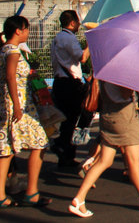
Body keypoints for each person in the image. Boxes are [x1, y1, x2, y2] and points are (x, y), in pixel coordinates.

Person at [68, 80, 139, 217]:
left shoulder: (105, 68)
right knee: (134, 161)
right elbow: (125, 93)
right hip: (124, 116)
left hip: (108, 114)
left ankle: (79, 198)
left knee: (104, 161)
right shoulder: (123, 71)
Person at [0, 15, 49, 208]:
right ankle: (31, 191)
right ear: (18, 30)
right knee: (39, 142)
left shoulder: (1, 50)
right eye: (26, 29)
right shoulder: (13, 51)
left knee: (5, 150)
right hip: (18, 106)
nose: (28, 32)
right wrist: (17, 104)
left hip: (3, 104)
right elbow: (10, 77)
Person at [50, 10, 90, 173]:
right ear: (72, 22)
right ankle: (62, 146)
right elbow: (82, 57)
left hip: (60, 81)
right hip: (70, 83)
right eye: (78, 22)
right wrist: (90, 45)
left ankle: (66, 155)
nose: (79, 25)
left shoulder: (57, 38)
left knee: (67, 119)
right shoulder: (68, 38)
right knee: (72, 118)